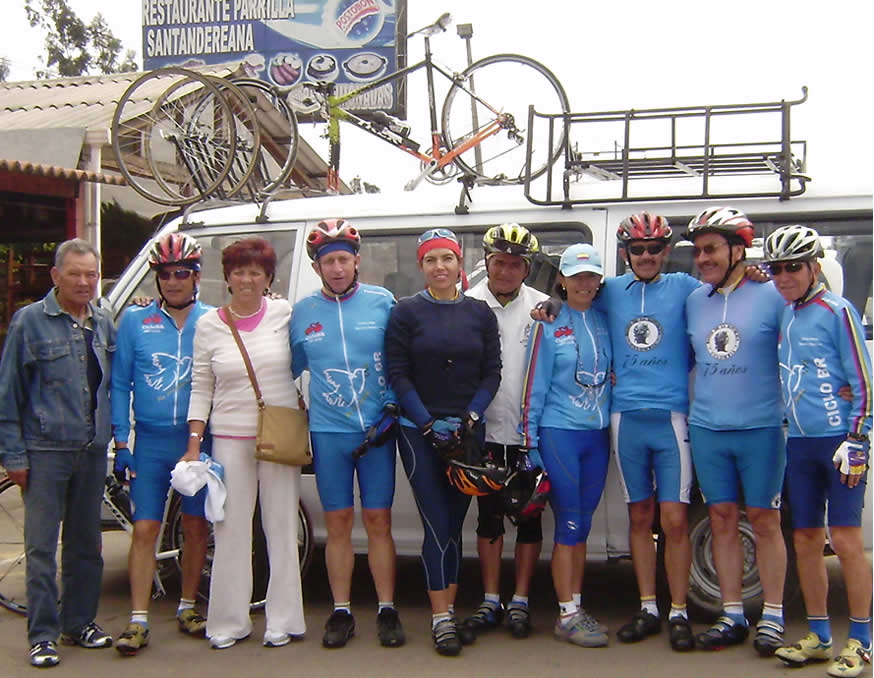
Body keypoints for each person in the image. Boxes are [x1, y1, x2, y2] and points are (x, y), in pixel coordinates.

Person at [385, 228, 501, 657]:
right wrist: (428, 423)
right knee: (435, 523)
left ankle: (448, 610)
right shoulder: (406, 312)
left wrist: (471, 416)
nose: (440, 267)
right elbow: (398, 373)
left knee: (454, 524)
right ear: (421, 266)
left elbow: (492, 372)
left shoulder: (480, 313)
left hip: (467, 432)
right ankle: (440, 619)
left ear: (459, 264)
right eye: (431, 260)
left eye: (447, 259)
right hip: (420, 433)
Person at [0, 238, 116, 668]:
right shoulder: (29, 322)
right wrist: (13, 455)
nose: (84, 282)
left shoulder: (103, 323)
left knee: (87, 545)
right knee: (42, 548)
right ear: (55, 276)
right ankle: (43, 635)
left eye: (91, 274)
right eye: (75, 274)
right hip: (45, 450)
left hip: (91, 449)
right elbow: (8, 393)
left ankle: (79, 623)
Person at [290, 219, 405, 649]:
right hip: (329, 432)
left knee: (378, 520)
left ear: (357, 261)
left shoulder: (382, 302)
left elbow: (400, 359)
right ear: (317, 268)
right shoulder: (303, 313)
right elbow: (286, 368)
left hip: (376, 430)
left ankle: (387, 608)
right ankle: (341, 611)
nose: (336, 268)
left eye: (343, 259)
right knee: (337, 522)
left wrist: (392, 404)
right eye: (328, 262)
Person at [185, 236, 305, 650]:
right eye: (239, 271)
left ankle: (283, 619)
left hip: (279, 433)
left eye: (256, 272)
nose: (247, 279)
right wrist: (194, 441)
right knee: (230, 527)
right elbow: (201, 385)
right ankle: (228, 621)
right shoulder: (209, 325)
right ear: (228, 277)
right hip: (229, 437)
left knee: (281, 526)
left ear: (269, 278)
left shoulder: (284, 314)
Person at [763, 226, 872, 678]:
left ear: (813, 268)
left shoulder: (837, 310)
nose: (784, 276)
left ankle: (862, 642)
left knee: (845, 540)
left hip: (839, 441)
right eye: (775, 269)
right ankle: (820, 636)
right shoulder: (787, 313)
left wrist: (858, 437)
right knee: (806, 540)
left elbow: (863, 380)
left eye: (793, 267)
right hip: (800, 443)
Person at [684, 207, 788, 655]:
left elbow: (803, 343)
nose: (702, 258)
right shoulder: (694, 299)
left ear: (739, 250)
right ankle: (731, 614)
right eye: (697, 251)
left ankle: (774, 616)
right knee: (721, 519)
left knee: (764, 521)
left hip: (761, 427)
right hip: (708, 427)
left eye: (711, 249)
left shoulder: (773, 294)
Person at [110, 233, 211, 655]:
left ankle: (187, 606)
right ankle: (137, 619)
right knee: (145, 528)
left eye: (182, 273)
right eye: (165, 274)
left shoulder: (213, 320)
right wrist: (121, 440)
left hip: (197, 440)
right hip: (150, 441)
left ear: (196, 276)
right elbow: (119, 384)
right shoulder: (136, 322)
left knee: (195, 526)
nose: (173, 281)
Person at [602, 213, 699, 652]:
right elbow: (573, 299)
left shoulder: (684, 286)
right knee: (639, 516)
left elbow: (727, 293)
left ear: (666, 251)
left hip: (670, 417)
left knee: (674, 519)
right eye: (637, 249)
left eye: (654, 248)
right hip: (625, 417)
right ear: (626, 253)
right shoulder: (609, 289)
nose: (646, 256)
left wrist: (753, 275)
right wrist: (550, 306)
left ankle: (678, 610)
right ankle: (647, 608)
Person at [520, 243, 612, 649]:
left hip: (597, 435)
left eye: (591, 276)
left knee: (584, 525)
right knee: (569, 523)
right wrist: (530, 441)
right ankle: (566, 614)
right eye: (576, 276)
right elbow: (533, 384)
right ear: (561, 279)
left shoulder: (605, 319)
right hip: (559, 433)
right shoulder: (549, 322)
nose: (584, 283)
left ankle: (575, 605)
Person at [462, 223, 548, 641]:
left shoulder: (544, 306)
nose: (506, 271)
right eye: (499, 262)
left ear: (526, 269)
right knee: (489, 519)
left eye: (516, 264)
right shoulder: (466, 304)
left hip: (528, 432)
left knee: (529, 519)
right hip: (485, 432)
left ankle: (521, 601)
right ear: (487, 262)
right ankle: (491, 599)